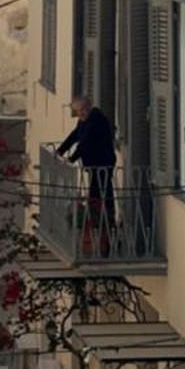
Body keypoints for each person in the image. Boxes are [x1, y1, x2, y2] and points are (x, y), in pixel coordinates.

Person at [56, 93, 119, 253]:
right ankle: (101, 226)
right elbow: (75, 135)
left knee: (101, 195)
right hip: (94, 167)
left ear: (89, 107)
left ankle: (106, 228)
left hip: (102, 165)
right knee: (97, 195)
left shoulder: (97, 120)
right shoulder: (84, 121)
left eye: (83, 110)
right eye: (78, 111)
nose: (81, 114)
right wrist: (60, 151)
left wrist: (71, 159)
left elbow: (85, 143)